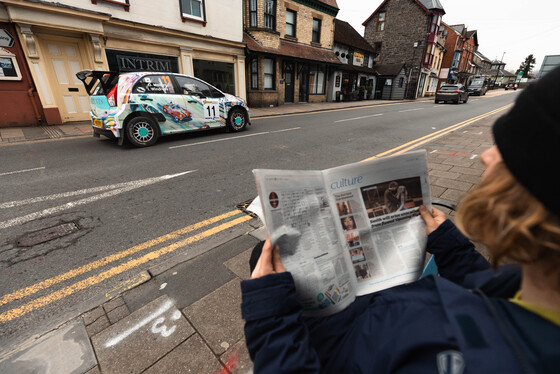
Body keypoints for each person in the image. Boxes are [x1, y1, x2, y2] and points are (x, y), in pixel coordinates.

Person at [241, 66, 560, 373]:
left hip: (347, 343)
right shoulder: (529, 287)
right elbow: (490, 286)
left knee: (269, 260)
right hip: (381, 314)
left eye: (509, 148)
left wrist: (271, 320)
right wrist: (452, 247)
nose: (488, 155)